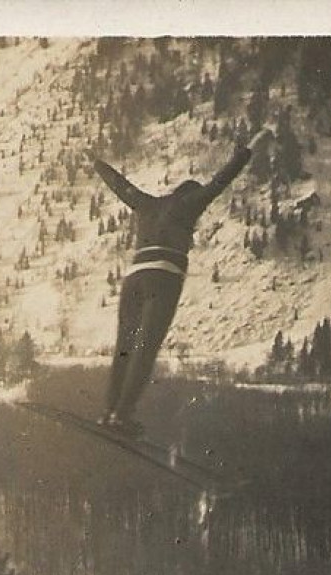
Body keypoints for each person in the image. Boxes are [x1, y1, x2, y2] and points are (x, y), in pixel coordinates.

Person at [91, 127, 273, 435]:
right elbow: (221, 180)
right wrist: (251, 147)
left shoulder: (147, 204)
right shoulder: (190, 203)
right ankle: (123, 415)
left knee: (124, 345)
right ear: (191, 194)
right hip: (164, 277)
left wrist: (96, 162)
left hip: (134, 276)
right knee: (146, 348)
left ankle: (108, 411)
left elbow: (120, 186)